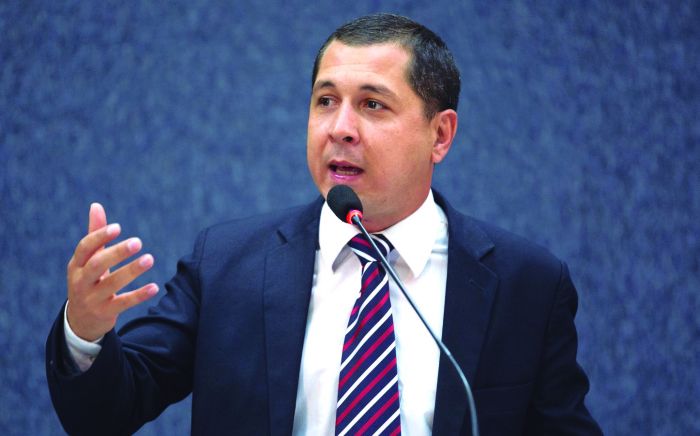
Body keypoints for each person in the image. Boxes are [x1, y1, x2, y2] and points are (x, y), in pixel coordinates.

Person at [46, 13, 602, 435]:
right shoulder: (226, 264)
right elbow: (108, 413)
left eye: (373, 105)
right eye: (326, 101)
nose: (340, 128)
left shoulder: (527, 284)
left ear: (440, 135)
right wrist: (86, 331)